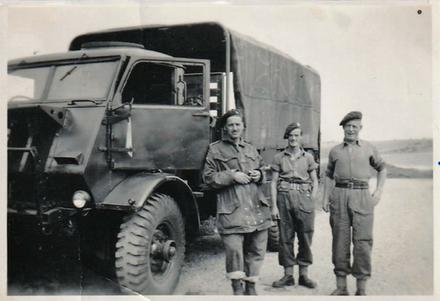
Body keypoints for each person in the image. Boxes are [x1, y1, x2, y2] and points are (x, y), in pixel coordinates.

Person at [203, 109, 272, 295]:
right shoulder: (215, 149)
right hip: (232, 210)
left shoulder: (250, 148)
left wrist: (260, 175)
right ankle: (237, 290)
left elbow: (263, 169)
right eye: (231, 125)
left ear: (243, 127)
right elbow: (208, 178)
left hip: (256, 208)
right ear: (225, 128)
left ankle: (251, 287)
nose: (234, 128)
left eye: (238, 124)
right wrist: (232, 176)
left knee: (256, 250)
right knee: (234, 251)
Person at [322, 111, 387, 296]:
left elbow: (382, 168)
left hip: (362, 195)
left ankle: (361, 289)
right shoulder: (335, 151)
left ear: (360, 128)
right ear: (343, 128)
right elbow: (328, 175)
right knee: (340, 241)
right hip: (340, 195)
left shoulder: (369, 148)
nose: (351, 129)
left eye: (354, 126)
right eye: (348, 126)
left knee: (363, 241)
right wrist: (326, 197)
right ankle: (341, 287)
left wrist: (379, 191)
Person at [270, 122, 319, 289]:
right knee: (285, 237)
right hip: (284, 198)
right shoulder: (279, 157)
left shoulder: (308, 157)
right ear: (287, 137)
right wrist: (274, 207)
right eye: (291, 135)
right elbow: (273, 182)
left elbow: (315, 180)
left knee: (305, 236)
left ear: (301, 137)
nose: (293, 138)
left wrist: (312, 198)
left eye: (297, 135)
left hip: (304, 197)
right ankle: (288, 275)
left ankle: (304, 275)